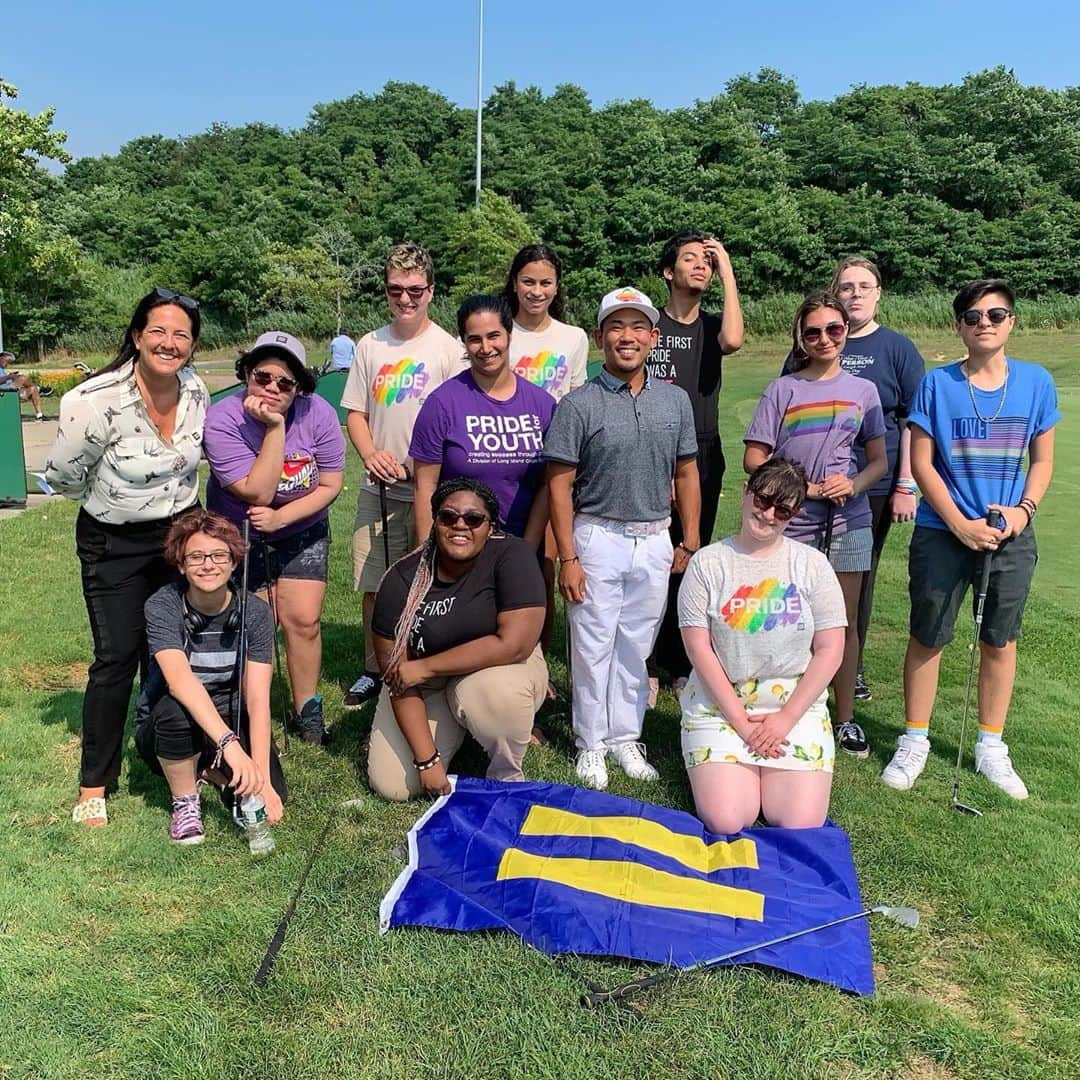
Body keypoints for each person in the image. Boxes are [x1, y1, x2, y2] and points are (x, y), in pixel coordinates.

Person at [884, 279, 1058, 799]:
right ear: (959, 325)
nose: (986, 322)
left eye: (997, 314)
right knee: (928, 633)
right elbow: (920, 461)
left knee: (999, 640)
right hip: (943, 530)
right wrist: (958, 522)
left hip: (1009, 533)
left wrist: (1023, 513)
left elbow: (1042, 460)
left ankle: (990, 746)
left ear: (1012, 322)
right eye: (974, 315)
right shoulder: (937, 384)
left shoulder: (1036, 382)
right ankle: (914, 739)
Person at [45, 287, 207, 826]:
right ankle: (95, 784)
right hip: (113, 541)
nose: (169, 343)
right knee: (116, 658)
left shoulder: (197, 390)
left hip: (179, 534)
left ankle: (169, 749)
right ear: (137, 337)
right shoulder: (90, 401)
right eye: (157, 331)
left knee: (173, 651)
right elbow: (65, 478)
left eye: (181, 334)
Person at [545, 286, 700, 790]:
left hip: (655, 538)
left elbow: (686, 473)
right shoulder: (577, 404)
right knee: (592, 645)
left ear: (654, 337)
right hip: (597, 536)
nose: (626, 337)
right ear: (599, 337)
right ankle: (590, 743)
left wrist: (690, 538)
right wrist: (567, 554)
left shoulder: (674, 399)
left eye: (638, 327)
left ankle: (625, 737)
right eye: (616, 326)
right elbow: (559, 485)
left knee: (636, 644)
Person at [744, 291, 886, 759]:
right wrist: (800, 490)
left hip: (850, 521)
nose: (824, 339)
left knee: (840, 626)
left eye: (834, 329)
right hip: (791, 523)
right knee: (782, 620)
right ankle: (780, 707)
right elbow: (754, 459)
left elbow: (878, 463)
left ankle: (843, 718)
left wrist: (854, 483)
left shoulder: (864, 392)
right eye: (813, 332)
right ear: (800, 339)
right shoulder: (783, 390)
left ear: (846, 331)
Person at [783, 258, 925, 702]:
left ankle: (850, 668)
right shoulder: (806, 349)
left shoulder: (897, 349)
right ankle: (799, 667)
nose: (856, 293)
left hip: (873, 484)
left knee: (856, 578)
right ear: (835, 295)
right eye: (847, 286)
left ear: (878, 293)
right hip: (809, 489)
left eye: (865, 286)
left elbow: (912, 421)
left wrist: (906, 484)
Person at [678, 458, 846, 832]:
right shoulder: (707, 564)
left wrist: (785, 719)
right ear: (745, 492)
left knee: (798, 821)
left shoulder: (813, 565)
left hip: (794, 703)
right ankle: (725, 763)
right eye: (763, 499)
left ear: (794, 515)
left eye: (782, 510)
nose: (768, 514)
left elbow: (831, 649)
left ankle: (759, 769)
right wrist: (741, 722)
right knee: (727, 818)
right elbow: (698, 649)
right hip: (721, 703)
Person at [367, 477, 549, 801]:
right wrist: (427, 760)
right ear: (434, 522)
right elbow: (399, 678)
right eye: (448, 517)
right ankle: (459, 728)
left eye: (473, 519)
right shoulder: (401, 580)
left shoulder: (512, 555)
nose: (460, 525)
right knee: (394, 786)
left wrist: (426, 667)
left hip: (497, 671)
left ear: (490, 527)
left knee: (496, 696)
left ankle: (505, 771)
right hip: (426, 687)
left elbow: (515, 643)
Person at [203, 331, 345, 745]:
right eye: (263, 376)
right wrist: (274, 427)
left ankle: (307, 710)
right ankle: (252, 711)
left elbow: (331, 483)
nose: (273, 388)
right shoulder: (223, 417)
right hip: (239, 531)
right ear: (247, 373)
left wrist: (282, 518)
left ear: (299, 387)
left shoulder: (317, 412)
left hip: (301, 526)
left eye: (286, 383)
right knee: (256, 622)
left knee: (302, 618)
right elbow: (256, 491)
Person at [340, 242, 466, 708]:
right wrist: (370, 452)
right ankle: (374, 668)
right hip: (378, 486)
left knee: (433, 578)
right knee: (375, 582)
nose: (405, 299)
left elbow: (459, 415)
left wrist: (423, 462)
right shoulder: (370, 345)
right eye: (396, 290)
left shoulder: (449, 349)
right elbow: (355, 411)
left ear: (431, 291)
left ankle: (425, 661)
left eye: (415, 290)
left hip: (431, 487)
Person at [134, 510, 286, 844]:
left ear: (234, 562)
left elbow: (258, 698)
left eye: (219, 555)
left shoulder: (256, 612)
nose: (208, 565)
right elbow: (180, 682)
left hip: (228, 715)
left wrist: (262, 777)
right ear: (181, 565)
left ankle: (209, 771)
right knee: (176, 709)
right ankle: (185, 801)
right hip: (170, 720)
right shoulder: (163, 605)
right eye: (196, 556)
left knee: (268, 799)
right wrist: (231, 746)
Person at [645, 230, 744, 702]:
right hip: (653, 450)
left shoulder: (709, 326)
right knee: (651, 559)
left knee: (691, 554)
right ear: (669, 272)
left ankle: (681, 660)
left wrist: (726, 268)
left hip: (702, 452)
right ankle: (646, 660)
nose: (701, 266)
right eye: (692, 259)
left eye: (707, 261)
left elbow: (735, 339)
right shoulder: (650, 325)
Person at [410, 294, 554, 547]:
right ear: (464, 342)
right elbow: (425, 486)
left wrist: (528, 550)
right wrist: (428, 552)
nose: (486, 348)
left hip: (522, 544)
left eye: (494, 336)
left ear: (510, 334)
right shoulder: (442, 403)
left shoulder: (543, 405)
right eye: (474, 339)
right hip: (458, 548)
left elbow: (548, 486)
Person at [502, 244, 589, 404]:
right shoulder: (495, 337)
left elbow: (577, 400)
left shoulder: (575, 337)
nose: (536, 292)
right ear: (514, 283)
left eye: (545, 283)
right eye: (528, 282)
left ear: (556, 287)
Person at [0, 350, 46, 420]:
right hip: (3, 390)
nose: (7, 365)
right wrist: (9, 377)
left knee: (33, 389)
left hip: (10, 388)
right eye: (7, 362)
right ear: (2, 359)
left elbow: (6, 379)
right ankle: (39, 388)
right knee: (23, 378)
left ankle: (39, 415)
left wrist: (12, 377)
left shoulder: (2, 369)